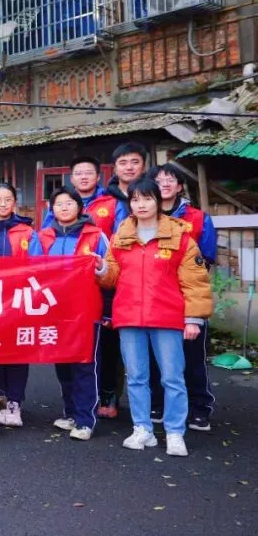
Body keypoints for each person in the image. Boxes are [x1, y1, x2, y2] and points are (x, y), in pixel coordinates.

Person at [98, 176, 213, 457]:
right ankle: (142, 429)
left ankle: (175, 432)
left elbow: (195, 282)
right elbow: (112, 277)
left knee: (172, 377)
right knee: (136, 377)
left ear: (158, 202)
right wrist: (102, 269)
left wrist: (193, 319)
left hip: (167, 317)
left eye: (147, 199)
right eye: (135, 199)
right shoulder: (120, 236)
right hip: (129, 316)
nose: (141, 205)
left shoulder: (180, 236)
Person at [39, 186, 111, 442]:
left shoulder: (96, 235)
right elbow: (33, 272)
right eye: (59, 204)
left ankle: (85, 419)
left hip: (86, 310)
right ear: (52, 209)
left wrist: (101, 268)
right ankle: (70, 413)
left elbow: (111, 272)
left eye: (69, 203)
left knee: (85, 365)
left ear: (80, 207)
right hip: (55, 310)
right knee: (63, 365)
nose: (64, 208)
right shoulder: (43, 236)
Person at [149, 163, 217, 431]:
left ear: (179, 186)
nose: (165, 184)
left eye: (170, 180)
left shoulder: (198, 218)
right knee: (154, 357)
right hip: (154, 298)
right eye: (159, 180)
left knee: (192, 357)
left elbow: (206, 258)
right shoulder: (144, 216)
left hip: (187, 296)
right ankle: (158, 403)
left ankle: (199, 408)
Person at [95, 142, 149, 419]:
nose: (129, 167)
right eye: (123, 162)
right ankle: (109, 395)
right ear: (114, 168)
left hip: (149, 279)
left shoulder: (155, 196)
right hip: (112, 278)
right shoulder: (103, 202)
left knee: (152, 344)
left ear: (144, 165)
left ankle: (154, 403)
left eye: (134, 162)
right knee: (110, 343)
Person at [0, 182, 43, 427]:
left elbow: (38, 265)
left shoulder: (27, 232)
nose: (3, 204)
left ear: (14, 203)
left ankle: (15, 402)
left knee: (18, 350)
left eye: (8, 199)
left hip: (19, 298)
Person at [41, 157, 108, 232]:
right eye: (78, 173)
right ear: (71, 178)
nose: (83, 177)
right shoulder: (60, 202)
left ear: (98, 177)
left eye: (89, 173)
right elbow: (46, 232)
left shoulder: (111, 201)